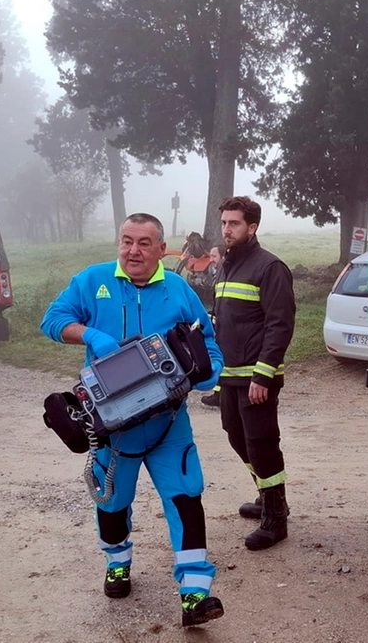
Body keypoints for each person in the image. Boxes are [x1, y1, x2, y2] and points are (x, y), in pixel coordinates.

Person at [39, 213, 226, 627]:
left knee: (185, 498)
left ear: (162, 250)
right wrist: (89, 334)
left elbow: (209, 340)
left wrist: (209, 370)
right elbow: (52, 321)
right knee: (111, 500)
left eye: (144, 243)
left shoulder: (178, 289)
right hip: (112, 425)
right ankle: (118, 562)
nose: (133, 251)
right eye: (126, 241)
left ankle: (195, 593)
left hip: (169, 423)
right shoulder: (92, 280)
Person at [213, 196, 296, 550]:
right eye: (224, 223)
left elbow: (280, 325)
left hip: (256, 378)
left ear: (252, 227)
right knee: (236, 437)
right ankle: (267, 493)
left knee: (261, 444)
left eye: (234, 223)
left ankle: (276, 518)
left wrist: (262, 376)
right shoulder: (227, 266)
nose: (227, 230)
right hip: (230, 375)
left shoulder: (270, 267)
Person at [199, 244, 225, 408]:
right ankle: (219, 394)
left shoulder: (225, 274)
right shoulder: (221, 273)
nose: (211, 260)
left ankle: (219, 395)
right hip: (220, 320)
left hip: (226, 327)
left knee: (222, 356)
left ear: (223, 257)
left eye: (214, 257)